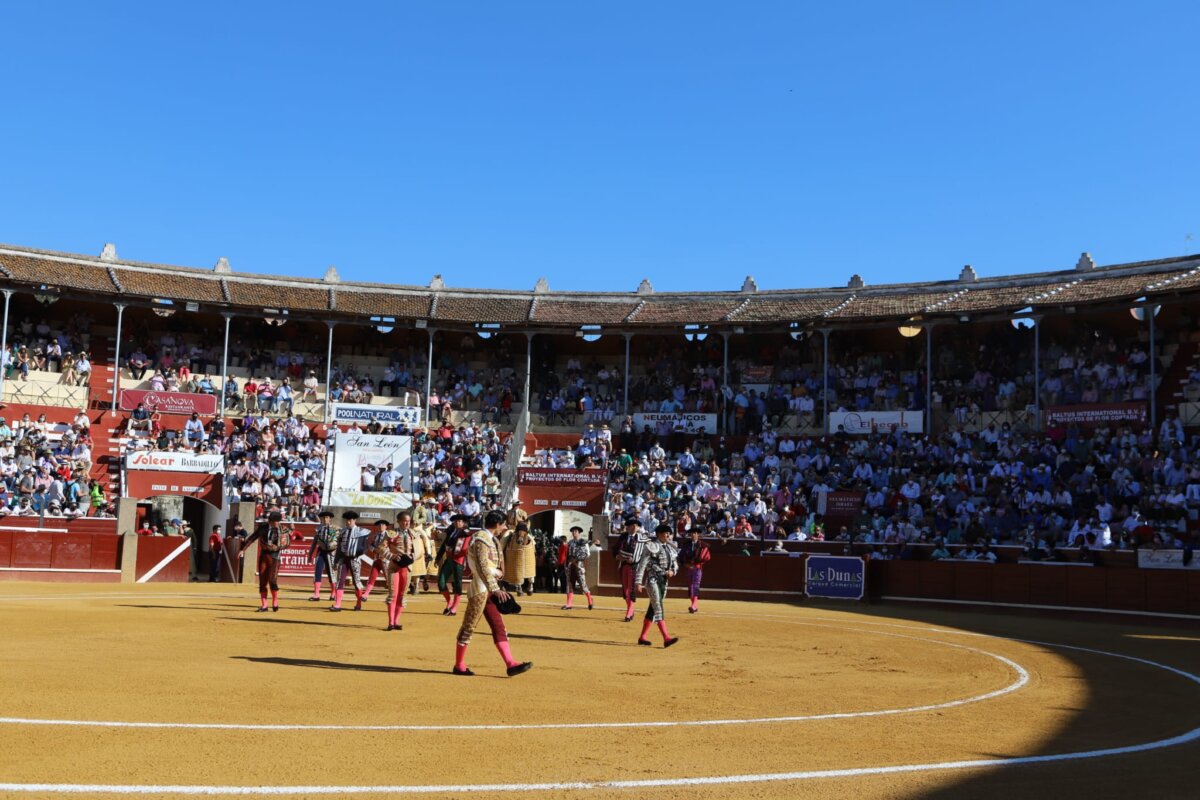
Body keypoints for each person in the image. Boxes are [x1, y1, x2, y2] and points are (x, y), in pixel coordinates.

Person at [452, 510, 533, 678]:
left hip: (489, 588)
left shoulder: (490, 539)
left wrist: (496, 584)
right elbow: (481, 566)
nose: (504, 527)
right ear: (497, 524)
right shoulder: (481, 539)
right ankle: (459, 665)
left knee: (498, 626)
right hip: (480, 590)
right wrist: (495, 587)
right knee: (469, 626)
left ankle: (511, 664)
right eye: (503, 524)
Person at [636, 524, 680, 648]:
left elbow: (675, 565)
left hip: (663, 582)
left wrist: (673, 571)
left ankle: (642, 637)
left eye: (669, 533)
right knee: (658, 608)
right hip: (653, 580)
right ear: (659, 534)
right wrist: (638, 582)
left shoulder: (670, 548)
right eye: (665, 533)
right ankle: (666, 638)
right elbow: (643, 564)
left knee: (652, 610)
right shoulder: (651, 547)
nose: (668, 535)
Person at [240, 511, 289, 612]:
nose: (277, 523)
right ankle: (264, 605)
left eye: (278, 521)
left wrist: (279, 546)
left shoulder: (283, 529)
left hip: (275, 557)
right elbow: (252, 538)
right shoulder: (263, 528)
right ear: (270, 521)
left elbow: (288, 543)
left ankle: (275, 602)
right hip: (264, 555)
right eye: (275, 521)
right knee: (262, 581)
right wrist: (242, 550)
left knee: (272, 580)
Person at [378, 512, 416, 631]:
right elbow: (381, 548)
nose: (407, 523)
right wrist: (392, 556)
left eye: (408, 521)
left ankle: (396, 621)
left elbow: (418, 549)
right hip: (394, 567)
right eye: (404, 521)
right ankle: (390, 622)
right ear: (398, 521)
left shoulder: (413, 534)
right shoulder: (391, 533)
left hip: (406, 568)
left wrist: (414, 556)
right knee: (393, 594)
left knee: (402, 595)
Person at [331, 510, 369, 612]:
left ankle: (358, 603)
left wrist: (357, 553)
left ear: (354, 520)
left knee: (356, 581)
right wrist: (335, 561)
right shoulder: (342, 531)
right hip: (344, 559)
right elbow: (339, 548)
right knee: (340, 581)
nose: (348, 522)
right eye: (347, 520)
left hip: (354, 559)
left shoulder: (361, 532)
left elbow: (365, 547)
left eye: (350, 520)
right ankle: (338, 604)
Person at [436, 514, 471, 616]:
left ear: (463, 522)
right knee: (441, 582)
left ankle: (454, 608)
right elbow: (444, 545)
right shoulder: (452, 531)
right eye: (455, 521)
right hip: (449, 559)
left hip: (458, 561)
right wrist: (438, 557)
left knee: (457, 584)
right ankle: (449, 602)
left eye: (459, 521)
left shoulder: (465, 532)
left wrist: (463, 529)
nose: (457, 522)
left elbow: (466, 542)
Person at [612, 516, 642, 622]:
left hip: (635, 567)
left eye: (636, 526)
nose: (634, 527)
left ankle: (629, 613)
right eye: (631, 526)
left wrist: (634, 559)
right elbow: (615, 549)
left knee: (631, 590)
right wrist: (617, 557)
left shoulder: (641, 538)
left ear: (638, 528)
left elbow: (644, 554)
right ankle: (631, 610)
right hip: (624, 565)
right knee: (625, 590)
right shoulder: (623, 537)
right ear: (627, 528)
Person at [307, 510, 339, 601]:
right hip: (321, 551)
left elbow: (339, 543)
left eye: (327, 517)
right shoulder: (319, 529)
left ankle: (333, 593)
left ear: (330, 519)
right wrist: (310, 554)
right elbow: (314, 543)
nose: (325, 519)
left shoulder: (336, 529)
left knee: (331, 573)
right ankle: (316, 594)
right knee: (317, 571)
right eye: (323, 518)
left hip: (331, 552)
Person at [678, 528, 712, 614]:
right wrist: (686, 564)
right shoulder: (686, 545)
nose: (693, 535)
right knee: (690, 586)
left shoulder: (703, 545)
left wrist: (698, 564)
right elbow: (681, 556)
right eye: (692, 533)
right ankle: (694, 606)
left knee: (695, 585)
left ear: (698, 535)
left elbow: (706, 557)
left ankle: (693, 605)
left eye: (695, 533)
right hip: (689, 568)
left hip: (697, 568)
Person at [561, 525, 594, 610]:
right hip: (570, 566)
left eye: (575, 531)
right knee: (570, 585)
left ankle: (590, 600)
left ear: (579, 533)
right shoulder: (570, 543)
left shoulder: (583, 542)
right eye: (573, 531)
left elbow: (587, 554)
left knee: (583, 586)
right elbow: (567, 554)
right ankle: (569, 604)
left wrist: (577, 559)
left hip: (579, 565)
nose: (574, 532)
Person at [502, 521, 536, 596]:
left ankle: (530, 585)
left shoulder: (523, 515)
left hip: (524, 530)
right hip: (513, 529)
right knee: (504, 539)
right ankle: (519, 587)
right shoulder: (513, 533)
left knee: (533, 542)